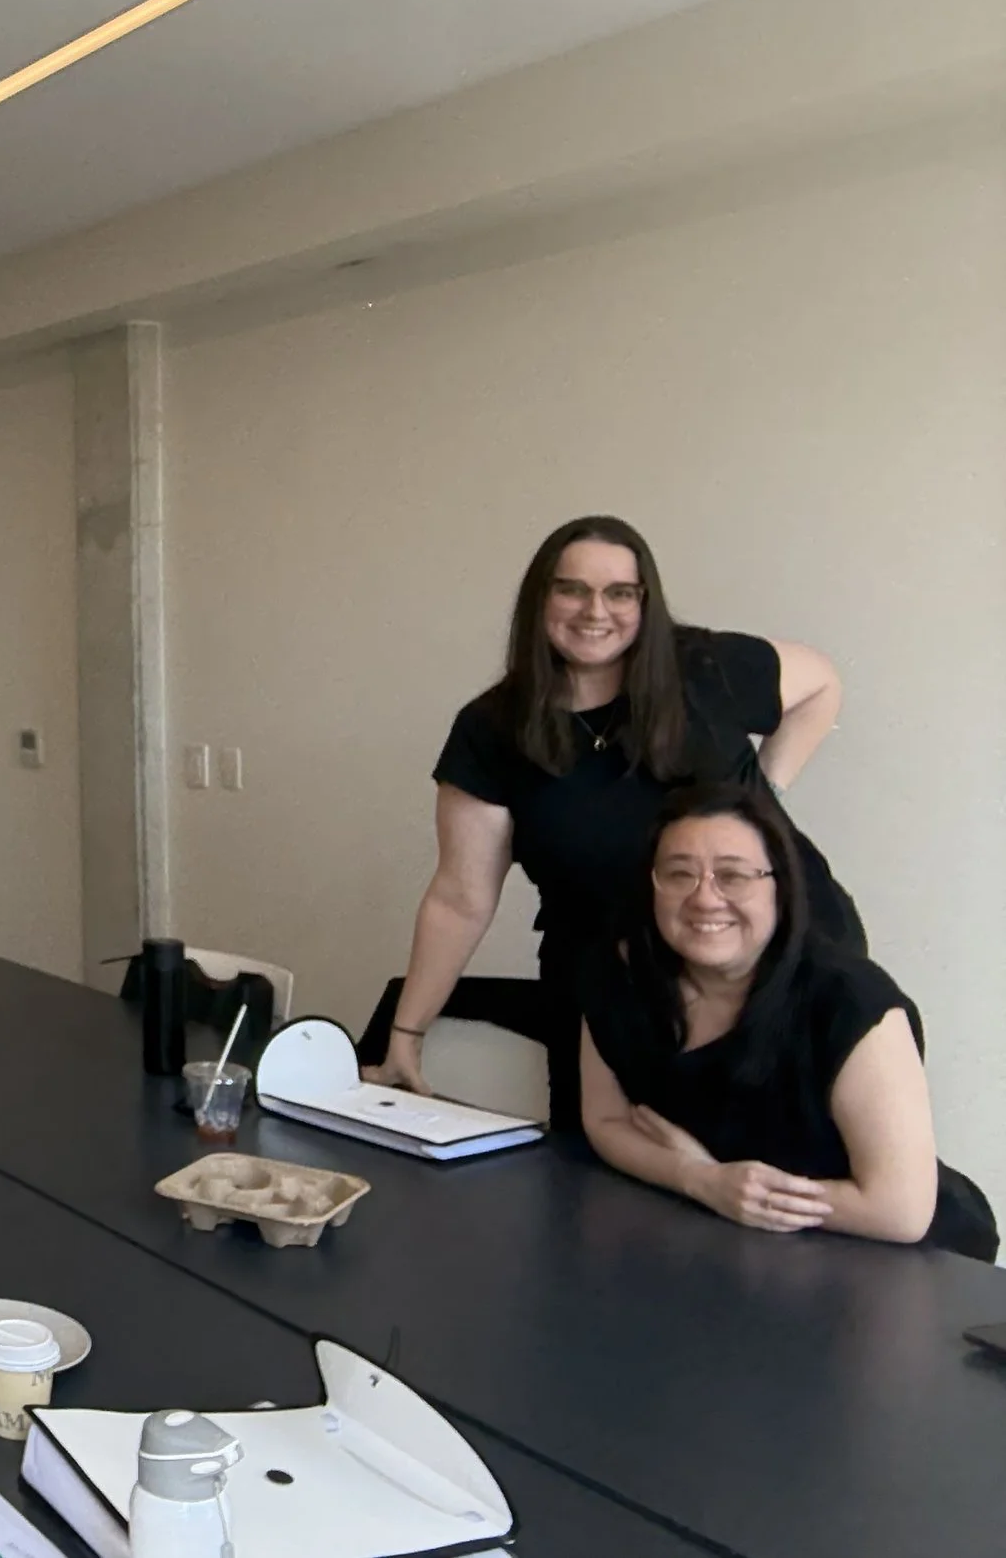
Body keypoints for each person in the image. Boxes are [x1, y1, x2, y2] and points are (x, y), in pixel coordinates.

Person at [366, 514, 851, 1128]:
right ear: (540, 598)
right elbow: (460, 898)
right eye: (571, 588)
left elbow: (821, 684)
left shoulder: (704, 667)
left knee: (768, 1184)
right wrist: (407, 1033)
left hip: (771, 967)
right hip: (609, 988)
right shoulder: (492, 730)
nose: (596, 610)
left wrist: (764, 799)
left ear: (644, 602)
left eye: (620, 592)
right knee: (596, 1181)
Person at [576, 786, 994, 1259]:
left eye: (733, 876)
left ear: (781, 888)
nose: (705, 898)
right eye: (679, 874)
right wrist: (700, 1178)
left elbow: (898, 1211)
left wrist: (740, 1192)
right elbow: (606, 1119)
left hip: (900, 1261)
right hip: (734, 1245)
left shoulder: (850, 1002)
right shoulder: (620, 977)